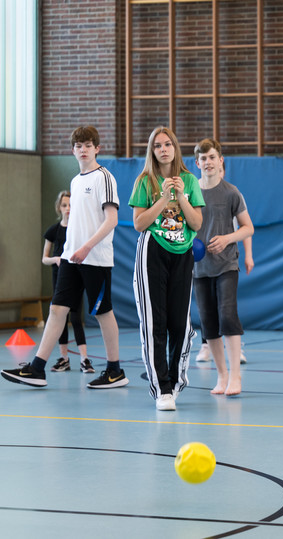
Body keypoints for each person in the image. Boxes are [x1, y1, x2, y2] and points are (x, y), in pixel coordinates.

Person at [2, 126, 128, 389]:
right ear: (72, 150)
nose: (83, 150)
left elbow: (111, 220)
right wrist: (71, 251)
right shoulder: (75, 181)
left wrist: (86, 247)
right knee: (57, 310)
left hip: (95, 260)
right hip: (71, 258)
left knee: (103, 313)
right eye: (78, 146)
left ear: (97, 148)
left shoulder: (104, 178)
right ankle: (37, 368)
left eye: (87, 145)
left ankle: (115, 370)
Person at [129, 126, 205, 411]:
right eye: (157, 145)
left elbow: (196, 224)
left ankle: (173, 382)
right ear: (152, 151)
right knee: (155, 323)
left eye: (168, 144)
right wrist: (163, 197)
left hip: (183, 254)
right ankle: (161, 388)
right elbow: (138, 223)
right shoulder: (144, 181)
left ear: (175, 147)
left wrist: (181, 196)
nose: (163, 149)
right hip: (152, 251)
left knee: (179, 325)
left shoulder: (189, 180)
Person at [193, 138, 254, 395]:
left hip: (227, 264)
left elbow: (248, 227)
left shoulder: (231, 192)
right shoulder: (190, 193)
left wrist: (228, 239)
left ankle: (236, 378)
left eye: (212, 157)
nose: (208, 162)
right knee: (208, 323)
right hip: (199, 269)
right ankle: (222, 376)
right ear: (197, 163)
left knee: (227, 315)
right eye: (203, 158)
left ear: (221, 161)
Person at [42, 190, 92, 373]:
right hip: (59, 278)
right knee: (60, 317)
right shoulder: (53, 231)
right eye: (64, 205)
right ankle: (64, 358)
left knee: (76, 317)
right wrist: (55, 259)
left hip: (75, 277)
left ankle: (85, 359)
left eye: (71, 205)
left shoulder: (79, 231)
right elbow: (44, 258)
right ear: (59, 208)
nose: (68, 209)